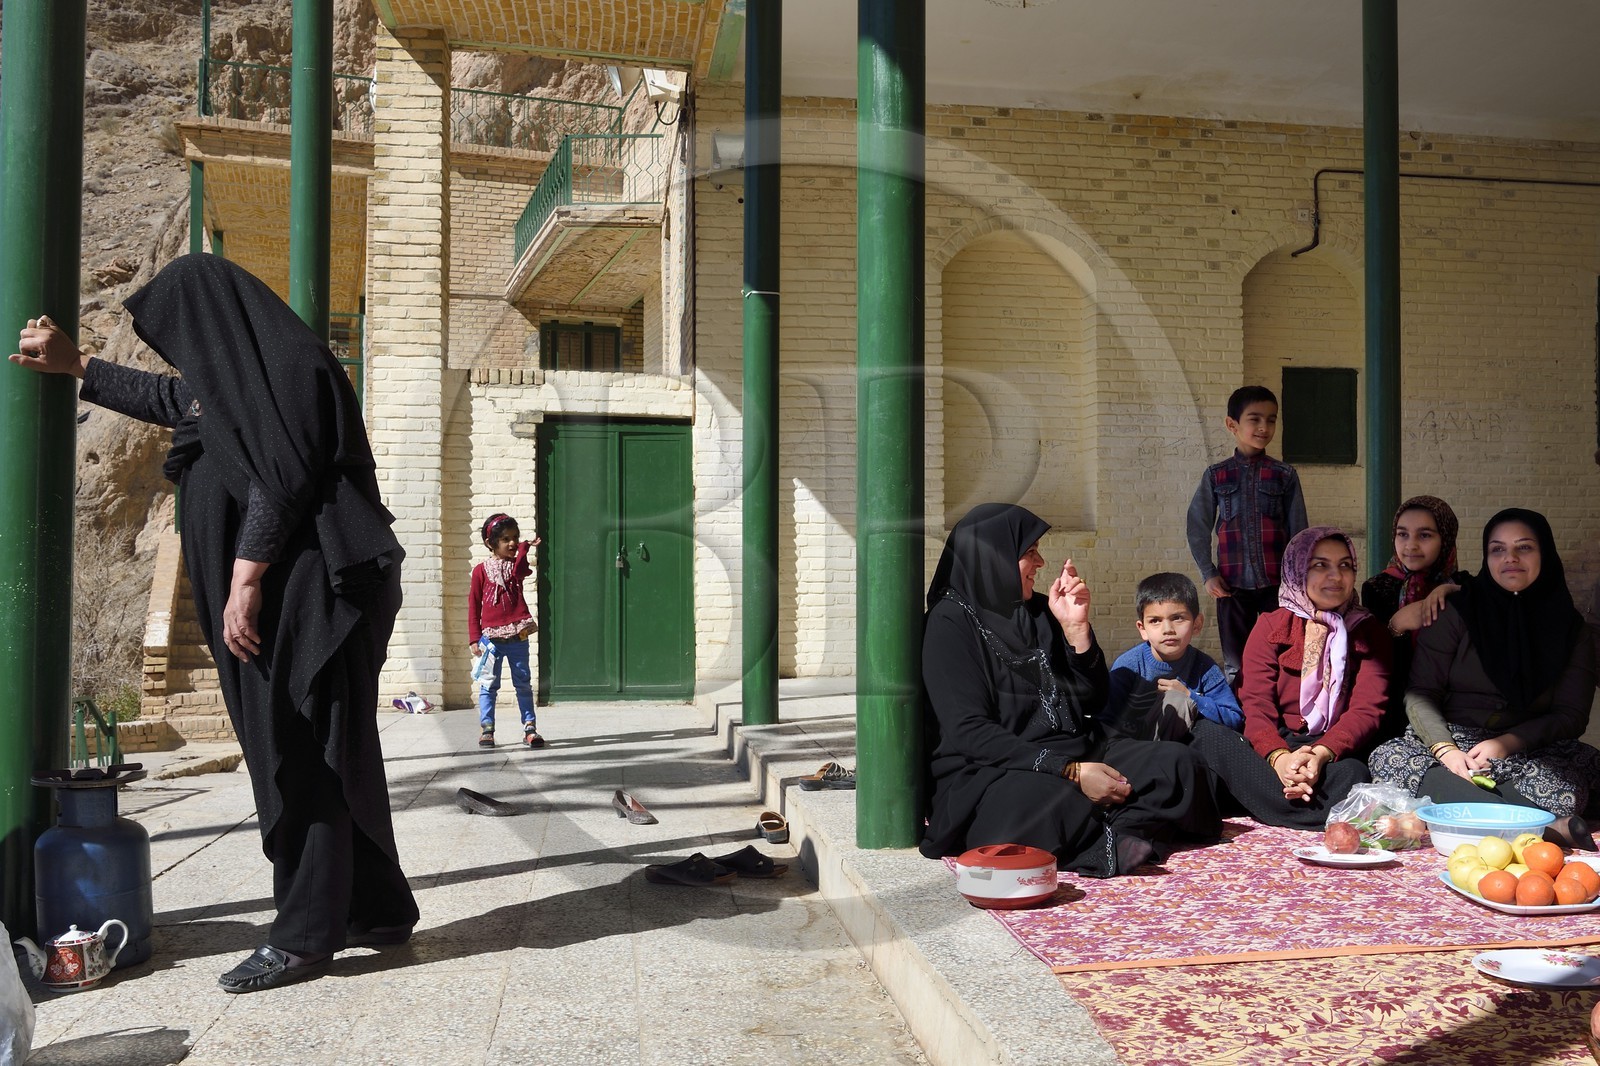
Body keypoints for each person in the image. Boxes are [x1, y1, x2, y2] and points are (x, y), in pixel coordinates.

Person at [11, 254, 418, 992]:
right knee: (331, 750)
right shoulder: (240, 381)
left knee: (301, 758)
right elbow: (176, 401)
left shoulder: (293, 367)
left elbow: (284, 470)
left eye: (181, 336)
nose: (181, 356)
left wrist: (245, 577)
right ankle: (378, 909)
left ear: (213, 321)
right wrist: (79, 367)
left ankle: (302, 939)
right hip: (291, 597)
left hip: (304, 596)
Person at [919, 504, 1220, 878]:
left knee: (1178, 763)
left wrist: (1078, 632)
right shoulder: (950, 623)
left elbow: (1092, 699)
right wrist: (1071, 772)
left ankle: (1104, 828)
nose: (1040, 562)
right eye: (1029, 553)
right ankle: (1119, 829)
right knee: (1037, 804)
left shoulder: (1042, 612)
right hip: (996, 769)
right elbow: (969, 731)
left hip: (1075, 749)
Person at [1367, 509, 1600, 839]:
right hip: (1454, 741)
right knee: (1389, 758)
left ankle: (1464, 810)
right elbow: (1421, 692)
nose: (1511, 558)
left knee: (1567, 783)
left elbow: (1571, 715)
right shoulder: (1457, 611)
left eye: (1524, 548)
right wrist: (1445, 750)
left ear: (1545, 552)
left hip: (1531, 747)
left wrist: (1507, 743)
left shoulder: (1572, 629)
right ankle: (1543, 827)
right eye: (1498, 549)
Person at [1189, 526, 1391, 829]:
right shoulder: (1272, 625)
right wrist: (1280, 758)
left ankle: (1263, 801)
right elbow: (1256, 705)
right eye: (1319, 565)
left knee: (1354, 775)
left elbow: (1367, 709)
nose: (1335, 576)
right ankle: (1302, 805)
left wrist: (1321, 754)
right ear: (1297, 570)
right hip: (1275, 744)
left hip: (1332, 750)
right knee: (1207, 736)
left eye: (1345, 566)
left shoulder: (1368, 630)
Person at [1186, 385, 1309, 688]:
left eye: (1271, 419)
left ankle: (1278, 718)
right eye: (1254, 419)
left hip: (1278, 588)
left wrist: (1298, 585)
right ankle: (1239, 725)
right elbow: (1197, 526)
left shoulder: (1284, 475)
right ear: (1232, 425)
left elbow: (1300, 534)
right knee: (1235, 663)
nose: (1264, 427)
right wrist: (1208, 574)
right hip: (1231, 587)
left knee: (1281, 656)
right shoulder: (1217, 475)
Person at [1359, 495, 1470, 740]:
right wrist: (1395, 625)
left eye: (1425, 535)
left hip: (1455, 709)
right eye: (1403, 534)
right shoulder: (1377, 588)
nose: (1411, 545)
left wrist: (1451, 591)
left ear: (1446, 538)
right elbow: (1374, 662)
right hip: (1393, 706)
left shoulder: (1465, 586)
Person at [1104, 572, 1242, 741]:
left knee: (1178, 700)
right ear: (1142, 629)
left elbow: (1234, 718)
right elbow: (1105, 721)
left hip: (1185, 753)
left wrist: (1191, 697)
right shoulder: (1128, 666)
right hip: (1133, 752)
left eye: (1177, 618)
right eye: (1155, 620)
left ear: (1197, 624)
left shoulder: (1204, 667)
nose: (1167, 629)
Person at [468, 512, 543, 750]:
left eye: (515, 537)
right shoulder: (480, 571)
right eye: (505, 539)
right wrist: (473, 638)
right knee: (488, 685)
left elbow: (522, 567)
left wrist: (523, 548)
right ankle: (487, 729)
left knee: (523, 683)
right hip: (491, 640)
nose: (511, 543)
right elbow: (474, 604)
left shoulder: (515, 568)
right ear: (491, 543)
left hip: (517, 636)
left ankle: (529, 728)